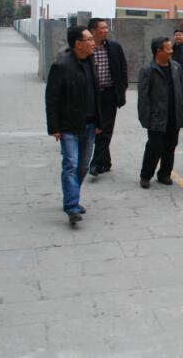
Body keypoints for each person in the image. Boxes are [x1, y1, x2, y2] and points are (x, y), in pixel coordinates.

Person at [45, 25, 102, 226]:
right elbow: (52, 98)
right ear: (78, 44)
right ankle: (71, 207)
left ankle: (72, 198)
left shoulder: (91, 61)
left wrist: (99, 121)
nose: (93, 42)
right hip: (69, 125)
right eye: (89, 39)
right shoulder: (61, 66)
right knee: (70, 165)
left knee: (83, 166)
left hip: (90, 124)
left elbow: (96, 94)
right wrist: (54, 127)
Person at [137, 37, 183, 189]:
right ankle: (146, 175)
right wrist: (145, 118)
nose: (171, 51)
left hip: (174, 115)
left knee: (170, 146)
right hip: (157, 117)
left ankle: (165, 174)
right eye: (168, 48)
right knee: (154, 147)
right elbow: (143, 96)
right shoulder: (148, 70)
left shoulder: (176, 67)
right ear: (158, 51)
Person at [87, 18, 128, 177]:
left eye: (106, 27)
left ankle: (95, 164)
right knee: (95, 129)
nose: (106, 30)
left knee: (105, 130)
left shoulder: (114, 47)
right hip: (91, 96)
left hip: (109, 94)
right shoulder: (87, 48)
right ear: (93, 31)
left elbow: (123, 69)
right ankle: (106, 162)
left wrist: (122, 90)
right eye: (103, 28)